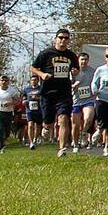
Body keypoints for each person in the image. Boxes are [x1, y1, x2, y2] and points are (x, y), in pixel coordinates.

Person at [31, 29, 79, 157]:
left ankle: (62, 148)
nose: (63, 40)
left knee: (63, 118)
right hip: (48, 92)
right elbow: (33, 67)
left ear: (69, 40)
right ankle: (46, 127)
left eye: (66, 38)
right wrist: (42, 74)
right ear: (56, 39)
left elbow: (76, 70)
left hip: (64, 92)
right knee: (49, 122)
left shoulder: (72, 56)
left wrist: (74, 72)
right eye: (61, 37)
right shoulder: (46, 54)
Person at [0, 75, 21, 153]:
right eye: (2, 80)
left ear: (8, 82)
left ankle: (5, 140)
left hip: (8, 113)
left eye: (6, 81)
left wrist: (10, 103)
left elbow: (18, 101)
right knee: (0, 130)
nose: (4, 82)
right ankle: (1, 146)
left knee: (7, 131)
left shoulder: (12, 91)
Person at [70, 51, 95, 151]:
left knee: (88, 118)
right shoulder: (73, 71)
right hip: (76, 101)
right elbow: (67, 84)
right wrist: (74, 85)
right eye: (82, 59)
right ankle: (76, 144)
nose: (84, 61)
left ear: (88, 60)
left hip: (88, 99)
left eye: (85, 59)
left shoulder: (92, 71)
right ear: (78, 60)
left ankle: (84, 133)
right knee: (75, 125)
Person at [22, 75, 43, 149]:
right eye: (32, 80)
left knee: (38, 126)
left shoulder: (41, 88)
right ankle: (31, 142)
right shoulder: (27, 89)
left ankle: (35, 138)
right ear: (30, 81)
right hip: (29, 110)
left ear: (38, 81)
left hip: (39, 110)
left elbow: (44, 98)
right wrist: (24, 101)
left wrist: (37, 98)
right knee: (30, 125)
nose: (33, 81)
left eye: (35, 80)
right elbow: (24, 97)